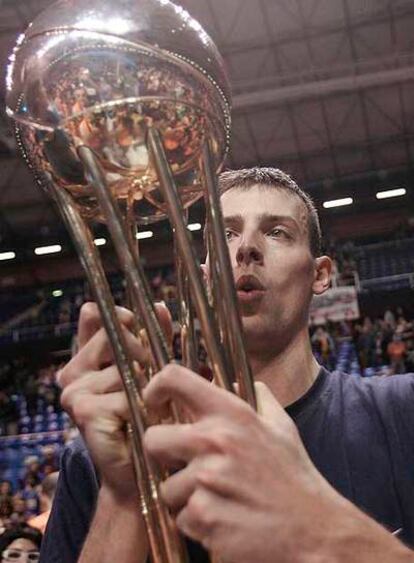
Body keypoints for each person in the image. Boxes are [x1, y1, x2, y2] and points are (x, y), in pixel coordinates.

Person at [41, 168, 414, 562]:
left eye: (277, 232)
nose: (245, 248)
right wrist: (126, 495)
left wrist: (321, 529)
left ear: (320, 274)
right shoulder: (98, 459)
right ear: (202, 278)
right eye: (226, 233)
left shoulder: (404, 412)